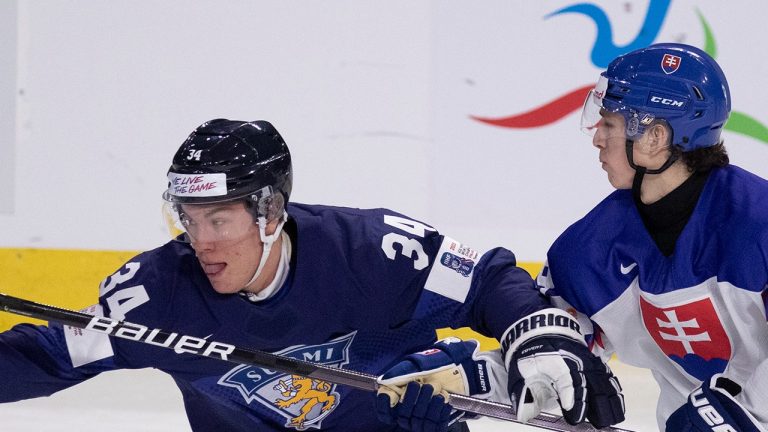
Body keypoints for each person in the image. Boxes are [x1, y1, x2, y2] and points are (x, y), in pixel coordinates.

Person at [0, 119, 624, 431]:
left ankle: (459, 373)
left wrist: (536, 336)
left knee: (411, 408)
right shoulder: (158, 294)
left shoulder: (371, 252)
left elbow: (487, 281)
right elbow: (50, 354)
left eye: (218, 219)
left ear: (269, 211)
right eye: (188, 220)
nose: (200, 241)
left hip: (374, 420)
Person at [539, 42, 768, 431]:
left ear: (655, 137)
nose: (596, 138)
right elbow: (545, 350)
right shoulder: (588, 251)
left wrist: (738, 418)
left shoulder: (758, 221)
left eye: (609, 123)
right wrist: (463, 378)